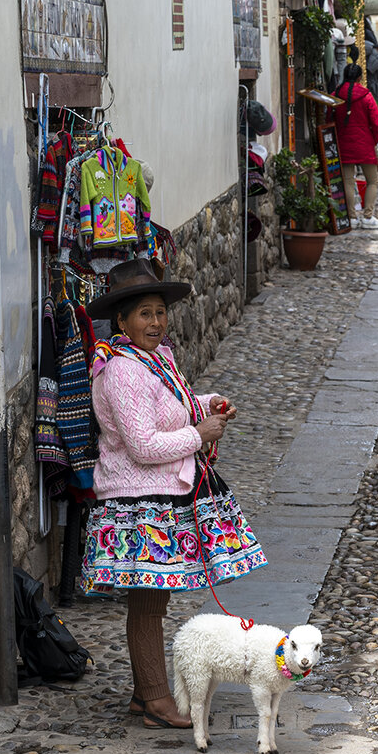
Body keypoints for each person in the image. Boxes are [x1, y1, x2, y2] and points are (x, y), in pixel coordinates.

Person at [82, 259, 266, 729]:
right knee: (147, 601)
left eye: (160, 312)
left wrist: (205, 404)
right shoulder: (122, 372)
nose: (156, 322)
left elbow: (170, 408)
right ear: (121, 322)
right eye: (144, 313)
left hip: (160, 496)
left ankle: (147, 695)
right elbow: (143, 446)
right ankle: (155, 698)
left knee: (154, 599)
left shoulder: (155, 359)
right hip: (137, 502)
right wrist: (200, 434)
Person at [333, 63, 378, 229]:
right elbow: (376, 122)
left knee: (347, 181)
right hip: (364, 144)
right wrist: (374, 141)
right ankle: (368, 217)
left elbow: (329, 120)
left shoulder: (335, 95)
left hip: (343, 143)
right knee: (372, 181)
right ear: (359, 78)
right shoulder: (366, 96)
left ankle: (351, 218)